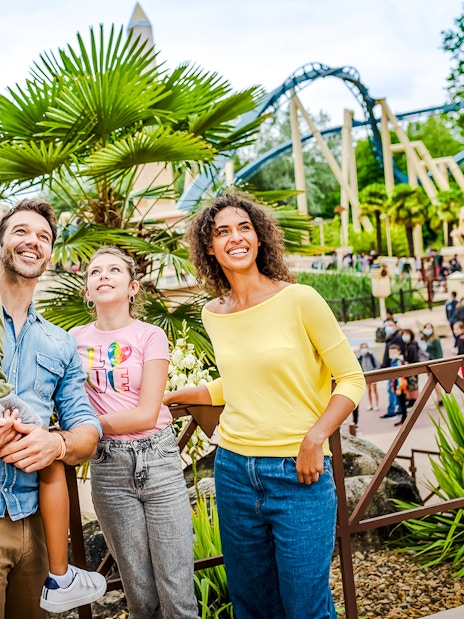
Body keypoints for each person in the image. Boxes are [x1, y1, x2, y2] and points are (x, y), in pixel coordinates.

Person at [163, 191, 366, 619]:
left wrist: (316, 437)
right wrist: (179, 396)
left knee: (305, 608)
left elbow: (351, 378)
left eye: (244, 227)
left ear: (259, 239)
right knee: (253, 606)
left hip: (298, 472)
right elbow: (238, 382)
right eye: (222, 232)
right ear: (209, 247)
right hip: (234, 470)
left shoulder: (300, 299)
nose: (234, 237)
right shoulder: (212, 314)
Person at [70, 247, 199, 619]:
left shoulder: (150, 335)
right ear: (88, 290)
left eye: (114, 270)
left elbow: (146, 413)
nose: (104, 275)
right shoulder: (70, 341)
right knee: (140, 595)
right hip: (108, 468)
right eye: (95, 271)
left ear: (133, 287)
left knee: (178, 595)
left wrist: (83, 429)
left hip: (157, 460)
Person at [0, 198, 104, 619]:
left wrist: (55, 445)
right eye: (21, 231)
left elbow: (86, 428)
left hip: (39, 525)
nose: (33, 241)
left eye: (44, 236)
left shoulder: (60, 343)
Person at [380, 319, 405, 420]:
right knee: (392, 389)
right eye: (386, 326)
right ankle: (397, 410)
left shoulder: (397, 338)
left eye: (390, 325)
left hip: (395, 366)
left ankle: (392, 411)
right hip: (390, 365)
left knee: (392, 389)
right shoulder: (390, 338)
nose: (388, 328)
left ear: (396, 326)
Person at [421, 323, 444, 404]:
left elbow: (439, 353)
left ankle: (440, 398)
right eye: (426, 328)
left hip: (434, 362)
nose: (427, 329)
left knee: (435, 381)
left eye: (429, 328)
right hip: (427, 363)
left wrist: (438, 363)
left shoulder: (436, 340)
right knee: (432, 382)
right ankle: (439, 398)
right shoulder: (425, 339)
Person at [387, 344, 408, 426]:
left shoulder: (399, 361)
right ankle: (403, 419)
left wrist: (399, 387)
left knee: (402, 403)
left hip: (401, 385)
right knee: (401, 403)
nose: (392, 354)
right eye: (390, 352)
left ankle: (404, 420)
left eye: (394, 352)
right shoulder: (394, 361)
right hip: (396, 385)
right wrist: (393, 386)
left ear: (399, 352)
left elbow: (401, 376)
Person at [400, 328, 419, 409]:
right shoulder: (405, 346)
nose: (405, 336)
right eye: (403, 335)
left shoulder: (412, 346)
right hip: (408, 369)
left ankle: (416, 402)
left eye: (407, 334)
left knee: (414, 386)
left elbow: (414, 359)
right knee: (409, 386)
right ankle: (411, 401)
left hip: (412, 369)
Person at [357, 343, 380, 411]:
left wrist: (374, 372)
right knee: (369, 390)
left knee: (374, 390)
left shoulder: (372, 357)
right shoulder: (360, 358)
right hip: (366, 376)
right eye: (363, 348)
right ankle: (370, 404)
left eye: (365, 347)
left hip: (373, 375)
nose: (364, 349)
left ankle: (376, 404)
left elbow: (377, 365)